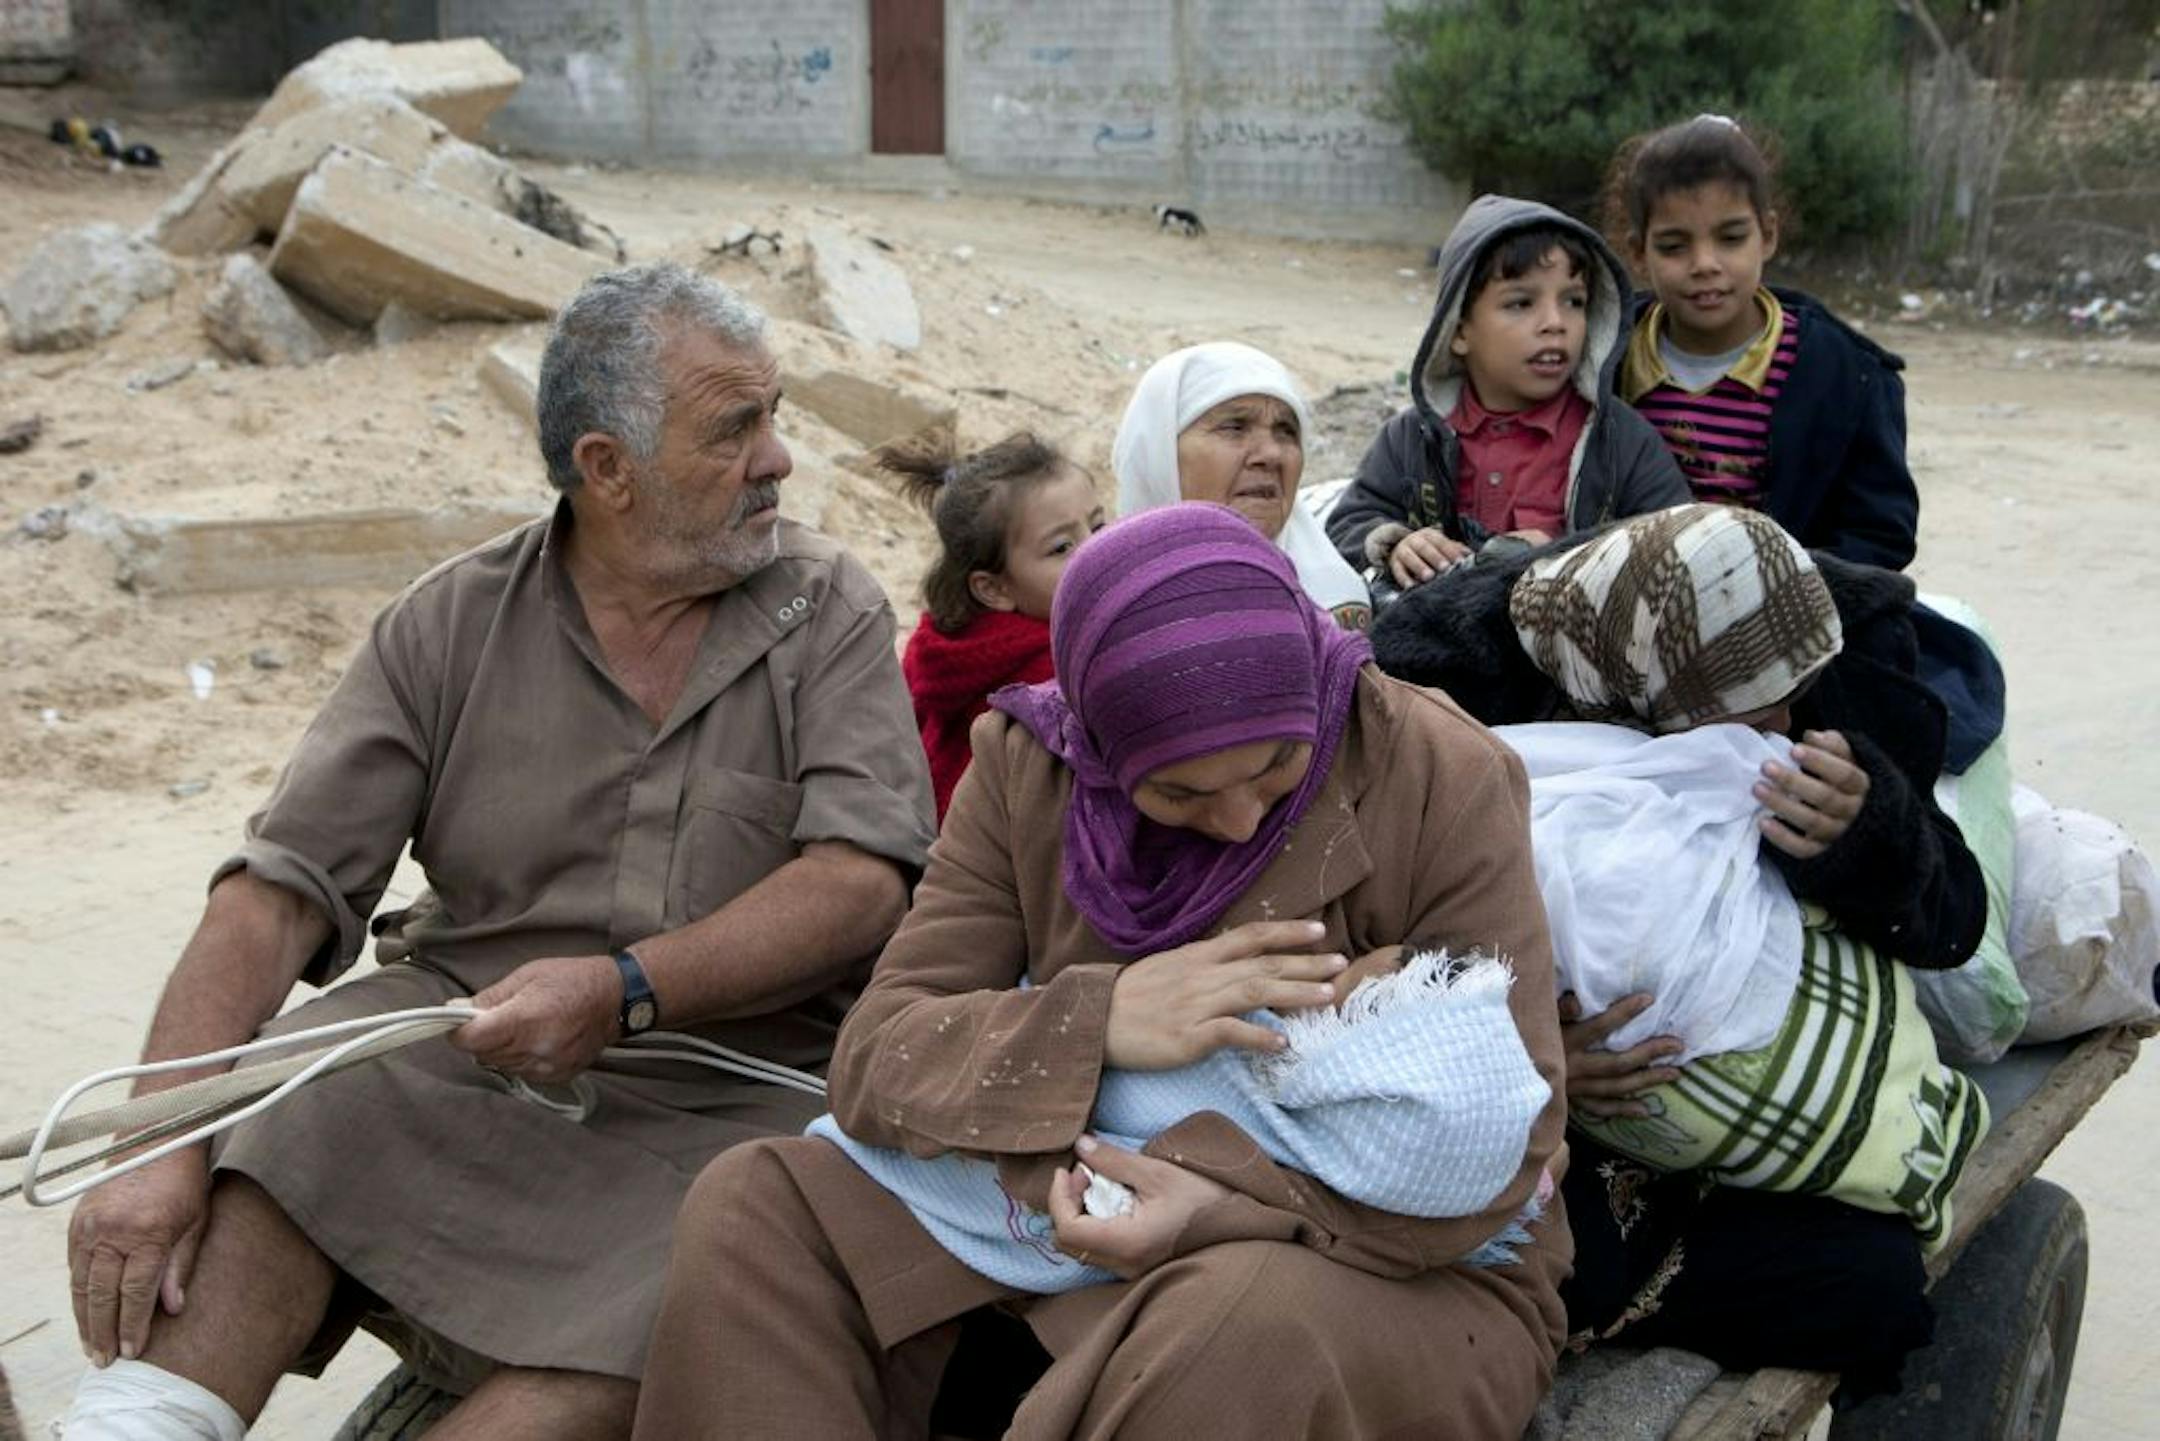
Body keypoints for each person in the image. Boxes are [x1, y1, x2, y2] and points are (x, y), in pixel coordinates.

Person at [58, 263, 935, 1440]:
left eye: (773, 416)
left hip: (729, 1094)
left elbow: (861, 881)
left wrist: (628, 990)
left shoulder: (827, 608)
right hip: (470, 1057)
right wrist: (155, 1143)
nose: (779, 457)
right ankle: (141, 1418)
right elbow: (277, 897)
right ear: (606, 470)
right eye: (738, 428)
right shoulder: (449, 620)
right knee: (304, 1088)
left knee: (727, 1273)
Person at [634, 505, 1573, 1440]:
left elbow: (1505, 1142)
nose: (1242, 821)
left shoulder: (1439, 772)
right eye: (1178, 793)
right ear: (1101, 745)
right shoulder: (1027, 768)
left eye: (1281, 767)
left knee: (1232, 1332)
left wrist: (1217, 1207)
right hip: (1054, 1204)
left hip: (1379, 1257)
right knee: (760, 1202)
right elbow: (879, 1057)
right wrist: (1105, 1018)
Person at [1370, 503, 1986, 1393]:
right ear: (1616, 691)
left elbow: (1952, 921)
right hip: (1541, 1103)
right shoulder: (1463, 680)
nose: (1772, 727)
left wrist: (1866, 829)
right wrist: (1535, 1060)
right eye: (1734, 714)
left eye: (1784, 702)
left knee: (1877, 1287)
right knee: (1559, 1257)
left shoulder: (1817, 658)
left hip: (1737, 1087)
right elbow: (1370, 919)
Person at [1324, 195, 1690, 593]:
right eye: (1521, 303)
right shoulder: (1413, 437)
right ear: (1458, 331)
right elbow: (1348, 523)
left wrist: (1567, 558)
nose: (1555, 323)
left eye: (1574, 302)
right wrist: (1397, 545)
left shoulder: (1619, 441)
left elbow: (1676, 549)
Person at [1604, 114, 1919, 570]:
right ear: (1637, 252)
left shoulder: (1848, 376)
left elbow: (1880, 534)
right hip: (1629, 612)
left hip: (1798, 617)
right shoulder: (1604, 360)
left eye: (1731, 239)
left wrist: (1779, 586)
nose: (1705, 263)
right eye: (1674, 247)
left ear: (1767, 235)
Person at [887, 429, 1104, 822]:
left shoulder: (937, 647)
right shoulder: (1060, 673)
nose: (1095, 551)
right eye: (1061, 548)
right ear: (994, 588)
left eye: (1099, 526)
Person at [1112, 341, 1374, 630]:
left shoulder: (1331, 603)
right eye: (1235, 427)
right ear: (1158, 454)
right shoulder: (1102, 602)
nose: (1272, 454)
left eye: (1286, 431)